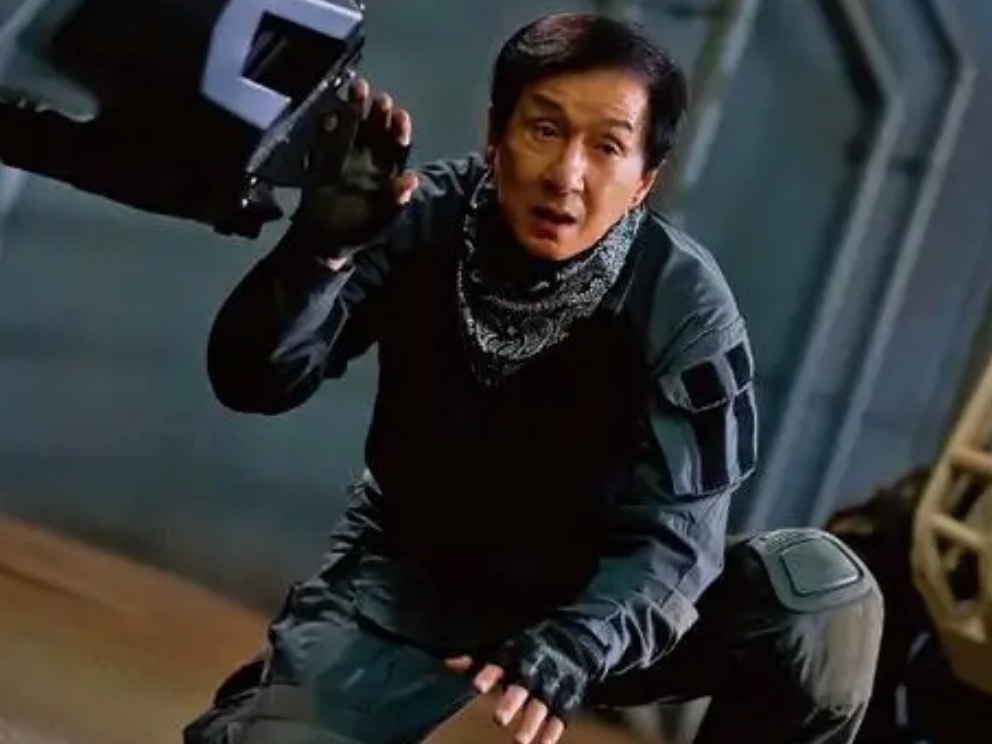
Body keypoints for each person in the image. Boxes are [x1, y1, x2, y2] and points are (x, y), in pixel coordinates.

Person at [191, 13, 884, 744]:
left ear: (644, 180)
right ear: (495, 135)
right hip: (416, 575)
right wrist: (319, 253)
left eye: (607, 146)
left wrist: (582, 641)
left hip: (596, 593)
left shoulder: (682, 304)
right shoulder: (416, 217)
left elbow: (677, 541)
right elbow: (254, 380)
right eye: (545, 130)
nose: (566, 175)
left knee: (821, 601)